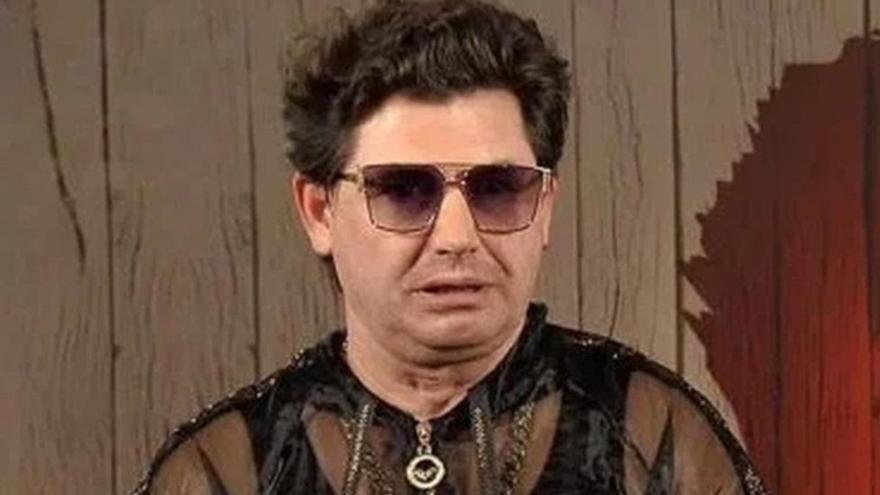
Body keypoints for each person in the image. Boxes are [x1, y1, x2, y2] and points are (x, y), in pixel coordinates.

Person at [135, 0, 766, 493]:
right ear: (319, 212)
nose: (458, 237)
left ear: (545, 207)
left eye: (498, 188)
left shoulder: (651, 436)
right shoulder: (228, 469)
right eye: (404, 190)